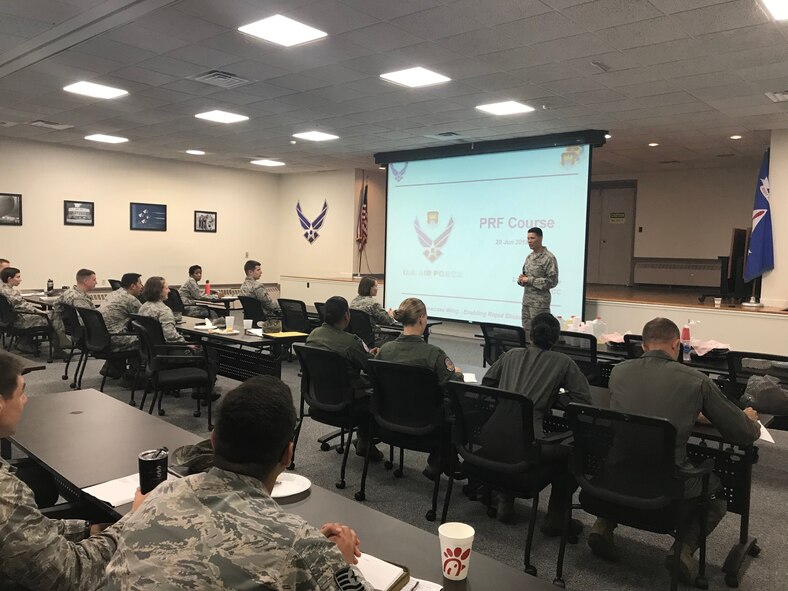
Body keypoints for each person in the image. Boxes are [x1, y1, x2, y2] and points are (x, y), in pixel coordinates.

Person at [103, 375, 374, 591]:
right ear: (287, 455)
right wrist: (338, 562)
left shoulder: (161, 493)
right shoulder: (299, 545)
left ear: (212, 441)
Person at [588, 318, 760, 583]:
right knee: (717, 494)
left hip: (616, 474)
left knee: (633, 455)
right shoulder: (696, 380)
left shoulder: (619, 372)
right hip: (666, 486)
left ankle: (604, 524)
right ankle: (683, 550)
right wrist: (748, 417)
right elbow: (743, 433)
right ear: (676, 344)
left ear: (643, 346)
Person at [0, 352, 145, 590]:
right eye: (21, 392)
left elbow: (27, 531)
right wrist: (132, 522)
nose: (25, 400)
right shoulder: (5, 492)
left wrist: (90, 529)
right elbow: (70, 574)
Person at [481, 313, 592, 528]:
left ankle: (505, 499)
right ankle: (556, 518)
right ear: (556, 338)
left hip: (490, 436)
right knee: (570, 452)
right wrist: (554, 398)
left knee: (515, 439)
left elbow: (488, 382)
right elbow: (583, 399)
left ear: (530, 334)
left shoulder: (510, 354)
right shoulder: (563, 362)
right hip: (527, 448)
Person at [376, 298, 462, 479]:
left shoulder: (385, 350)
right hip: (427, 426)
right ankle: (441, 460)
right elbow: (453, 386)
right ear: (422, 319)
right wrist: (457, 372)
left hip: (388, 421)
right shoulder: (434, 354)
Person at [306, 295, 383, 461]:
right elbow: (370, 367)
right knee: (378, 391)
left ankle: (364, 439)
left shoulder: (313, 335)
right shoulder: (351, 342)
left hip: (317, 396)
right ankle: (365, 439)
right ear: (347, 316)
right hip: (347, 399)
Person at [99, 273, 143, 380]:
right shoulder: (130, 299)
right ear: (133, 286)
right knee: (147, 341)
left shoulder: (113, 294)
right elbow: (145, 319)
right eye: (140, 283)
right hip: (115, 339)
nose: (142, 286)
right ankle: (134, 375)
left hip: (102, 338)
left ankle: (111, 367)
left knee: (133, 332)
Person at [0, 267, 53, 354]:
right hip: (20, 321)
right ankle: (58, 349)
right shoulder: (11, 292)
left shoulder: (2, 290)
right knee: (53, 316)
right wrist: (41, 312)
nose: (20, 280)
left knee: (49, 315)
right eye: (18, 277)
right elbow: (25, 307)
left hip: (8, 320)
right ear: (10, 279)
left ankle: (24, 341)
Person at [518, 227, 558, 334]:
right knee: (526, 332)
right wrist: (521, 279)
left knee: (540, 333)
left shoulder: (549, 258)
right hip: (527, 301)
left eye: (532, 238)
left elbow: (552, 281)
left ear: (540, 238)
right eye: (528, 238)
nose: (529, 241)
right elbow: (526, 276)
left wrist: (530, 280)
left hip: (540, 304)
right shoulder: (529, 257)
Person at [51, 268, 97, 354]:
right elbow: (88, 319)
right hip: (81, 330)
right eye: (94, 280)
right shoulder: (78, 298)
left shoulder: (70, 292)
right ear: (86, 281)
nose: (96, 282)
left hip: (68, 326)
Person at [138, 276, 188, 344]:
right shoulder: (164, 310)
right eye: (167, 288)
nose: (169, 291)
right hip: (167, 350)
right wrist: (187, 343)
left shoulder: (143, 307)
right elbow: (171, 336)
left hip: (149, 349)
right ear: (158, 291)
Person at [350, 277, 397, 347]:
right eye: (375, 286)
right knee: (398, 339)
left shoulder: (354, 301)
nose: (377, 289)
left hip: (358, 338)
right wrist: (391, 314)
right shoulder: (373, 304)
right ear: (369, 288)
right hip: (374, 338)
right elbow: (388, 321)